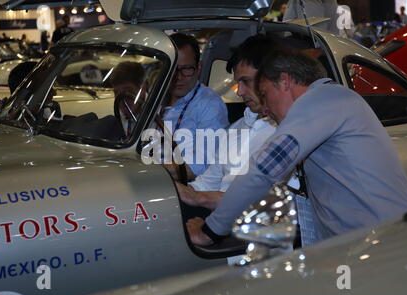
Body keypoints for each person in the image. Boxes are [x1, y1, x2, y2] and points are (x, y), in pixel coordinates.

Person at [187, 51, 407, 246]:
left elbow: (264, 170)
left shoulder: (322, 102)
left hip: (384, 244)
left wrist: (211, 231)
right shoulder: (335, 101)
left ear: (285, 81)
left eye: (266, 95)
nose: (265, 108)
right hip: (371, 242)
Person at [176, 35, 295, 211]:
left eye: (246, 81)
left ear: (273, 78)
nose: (239, 92)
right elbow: (206, 183)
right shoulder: (237, 128)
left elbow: (264, 202)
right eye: (238, 82)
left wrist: (198, 198)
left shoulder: (290, 132)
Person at [162, 33, 229, 178]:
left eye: (186, 69)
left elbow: (198, 166)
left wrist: (153, 171)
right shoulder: (156, 99)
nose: (178, 77)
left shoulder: (210, 105)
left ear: (198, 68)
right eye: (173, 69)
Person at [110, 61, 147, 137]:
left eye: (128, 93)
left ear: (143, 88)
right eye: (116, 93)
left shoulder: (161, 114)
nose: (121, 101)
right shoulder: (111, 116)